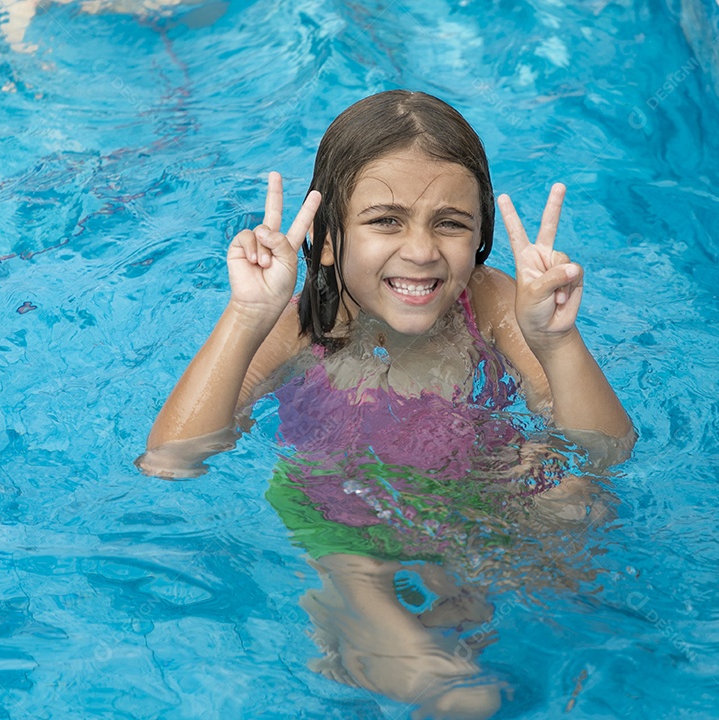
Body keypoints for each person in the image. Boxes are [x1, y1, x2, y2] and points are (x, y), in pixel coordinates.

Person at [139, 90, 633, 719]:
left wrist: (558, 342)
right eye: (386, 220)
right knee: (464, 696)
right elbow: (171, 458)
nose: (422, 250)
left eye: (450, 222)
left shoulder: (490, 304)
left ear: (480, 237)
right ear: (327, 240)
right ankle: (349, 615)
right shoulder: (299, 325)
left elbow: (606, 451)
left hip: (470, 499)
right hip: (340, 516)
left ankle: (407, 619)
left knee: (583, 506)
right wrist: (247, 315)